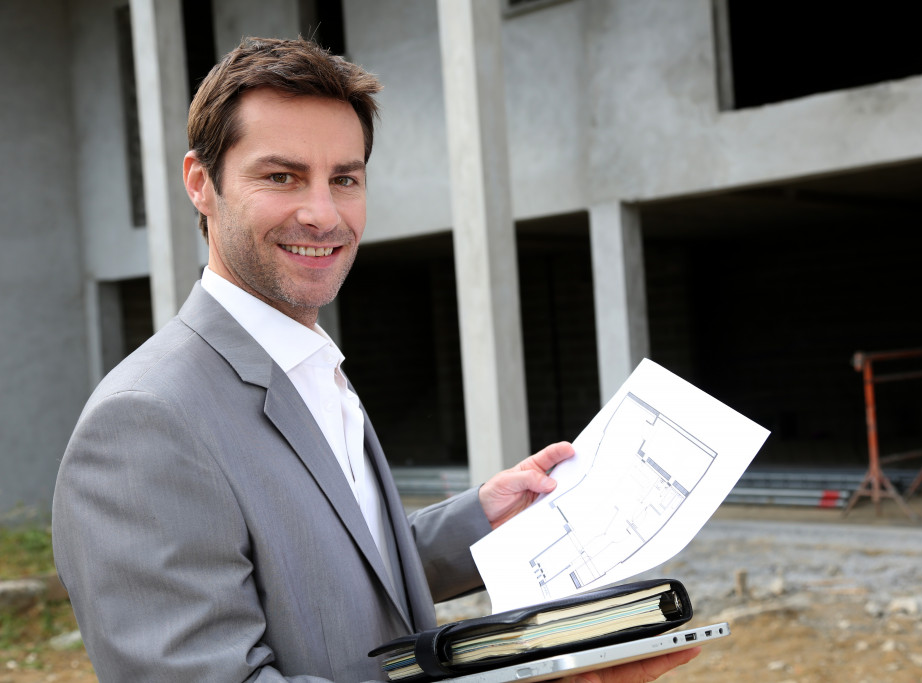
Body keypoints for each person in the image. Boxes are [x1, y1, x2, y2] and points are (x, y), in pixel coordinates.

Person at [51, 37, 700, 682]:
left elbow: (336, 571)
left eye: (345, 179)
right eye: (282, 176)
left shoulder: (309, 367)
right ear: (201, 183)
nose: (323, 213)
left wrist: (482, 518)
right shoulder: (143, 423)